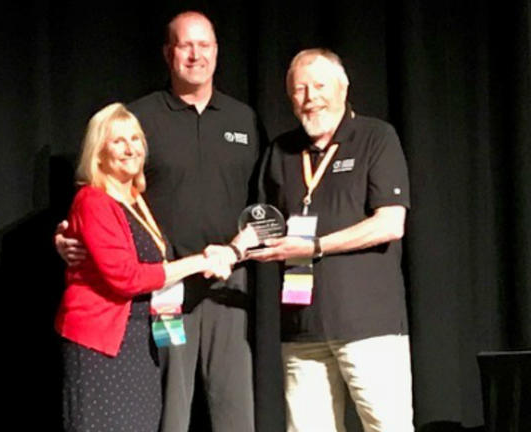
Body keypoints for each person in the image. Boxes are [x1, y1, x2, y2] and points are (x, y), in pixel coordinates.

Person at [55, 11, 263, 432]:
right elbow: (105, 190)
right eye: (185, 45)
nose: (195, 55)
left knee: (235, 411)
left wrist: (237, 249)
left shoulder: (244, 119)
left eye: (204, 45)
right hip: (167, 288)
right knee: (170, 411)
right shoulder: (141, 118)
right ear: (169, 53)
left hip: (230, 284)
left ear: (217, 52)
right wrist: (66, 234)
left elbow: (263, 201)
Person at [249, 49, 414, 431]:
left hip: (369, 326)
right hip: (302, 328)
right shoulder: (281, 151)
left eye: (320, 86)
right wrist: (228, 250)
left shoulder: (376, 137)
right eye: (300, 89)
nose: (311, 98)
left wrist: (316, 246)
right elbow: (262, 223)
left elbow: (390, 224)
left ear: (343, 87)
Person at [55, 102, 232, 432]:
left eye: (135, 139)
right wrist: (198, 262)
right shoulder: (93, 200)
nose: (130, 148)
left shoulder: (135, 199)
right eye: (118, 141)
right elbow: (126, 278)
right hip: (101, 346)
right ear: (98, 153)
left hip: (139, 341)